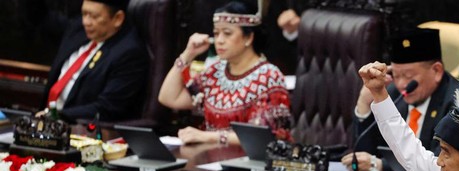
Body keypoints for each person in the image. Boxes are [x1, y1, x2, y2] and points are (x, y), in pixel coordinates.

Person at [158, 0, 291, 145]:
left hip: (248, 162)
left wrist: (208, 137)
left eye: (227, 34)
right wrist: (187, 55)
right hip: (209, 160)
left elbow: (262, 137)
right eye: (216, 33)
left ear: (248, 37)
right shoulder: (215, 71)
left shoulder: (269, 76)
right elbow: (169, 98)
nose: (219, 40)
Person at [341, 27, 459, 171]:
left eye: (409, 76)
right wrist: (364, 103)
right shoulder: (393, 93)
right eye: (396, 76)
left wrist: (382, 166)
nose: (402, 84)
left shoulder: (457, 102)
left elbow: (440, 164)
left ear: (436, 71)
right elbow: (363, 153)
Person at [43, 0, 149, 123]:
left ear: (118, 18)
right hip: (47, 120)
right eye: (84, 14)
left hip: (79, 127)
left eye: (94, 16)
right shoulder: (78, 30)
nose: (86, 22)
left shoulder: (129, 53)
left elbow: (107, 108)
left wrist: (57, 116)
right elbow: (40, 18)